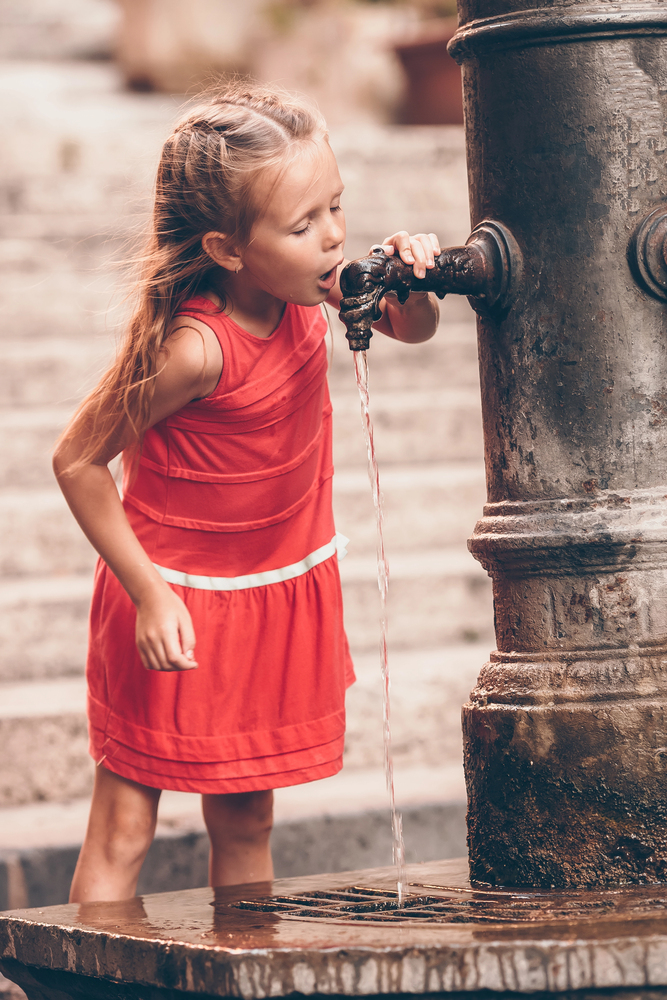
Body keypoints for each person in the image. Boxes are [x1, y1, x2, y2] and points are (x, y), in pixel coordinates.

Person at [53, 82, 441, 903]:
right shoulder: (194, 349)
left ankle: (242, 978)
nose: (334, 236)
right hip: (176, 600)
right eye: (305, 225)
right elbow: (77, 462)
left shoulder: (312, 284)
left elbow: (411, 329)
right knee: (126, 823)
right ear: (228, 249)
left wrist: (417, 279)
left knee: (246, 825)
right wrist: (150, 596)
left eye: (336, 207)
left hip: (270, 592)